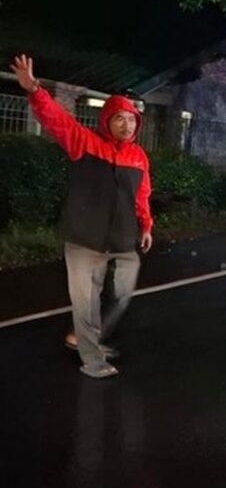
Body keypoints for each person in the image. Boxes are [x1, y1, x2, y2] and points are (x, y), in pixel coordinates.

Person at [10, 55, 153, 379]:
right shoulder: (85, 142)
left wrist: (146, 225)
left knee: (121, 293)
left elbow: (142, 194)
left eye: (131, 119)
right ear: (107, 121)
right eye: (119, 118)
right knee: (86, 302)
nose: (127, 125)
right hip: (84, 239)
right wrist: (34, 90)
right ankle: (92, 360)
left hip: (121, 240)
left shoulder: (138, 156)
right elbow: (56, 119)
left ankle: (89, 336)